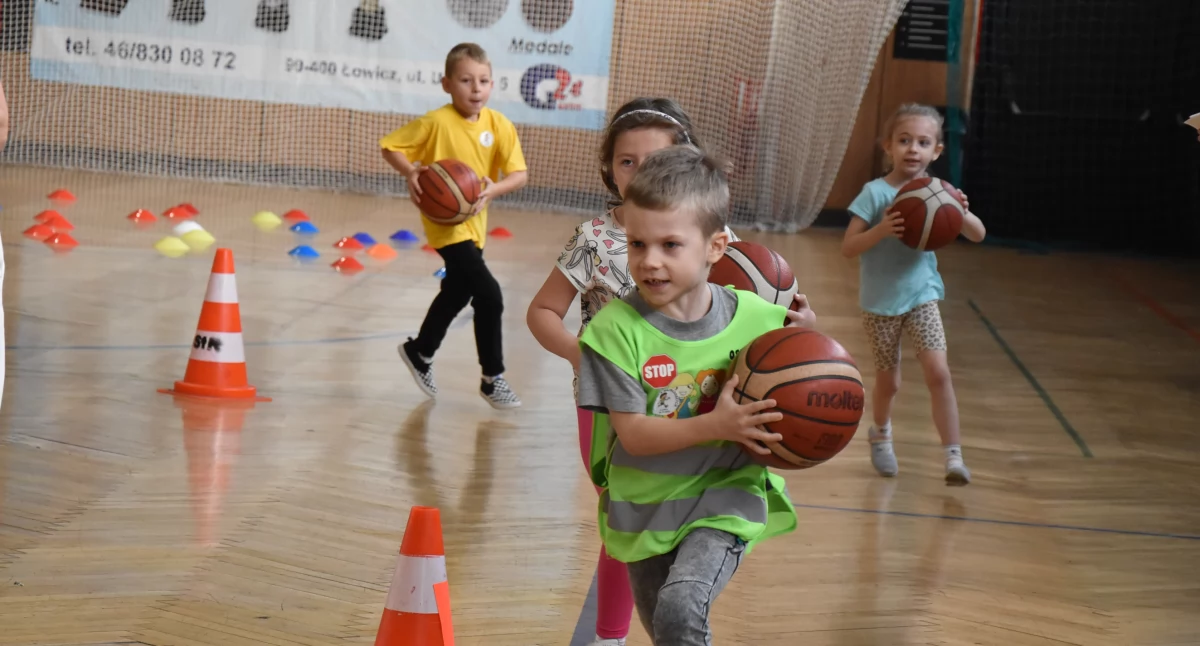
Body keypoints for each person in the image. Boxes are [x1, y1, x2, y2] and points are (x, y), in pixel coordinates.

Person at [526, 98, 814, 646]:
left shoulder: (741, 297)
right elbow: (631, 432)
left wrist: (803, 334)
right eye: (638, 245)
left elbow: (798, 359)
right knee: (665, 619)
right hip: (633, 449)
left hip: (725, 482)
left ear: (714, 247)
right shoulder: (608, 308)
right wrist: (582, 356)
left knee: (682, 607)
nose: (651, 260)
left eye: (670, 246)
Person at [841, 103, 987, 485]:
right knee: (890, 382)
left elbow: (978, 234)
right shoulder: (874, 193)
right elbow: (848, 246)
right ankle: (881, 432)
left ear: (936, 151)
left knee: (939, 373)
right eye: (904, 140)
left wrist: (961, 212)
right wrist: (881, 230)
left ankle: (953, 457)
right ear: (887, 146)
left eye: (923, 142)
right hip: (879, 302)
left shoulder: (941, 193)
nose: (913, 149)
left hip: (922, 295)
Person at [382, 43, 528, 409]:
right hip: (446, 226)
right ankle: (492, 378)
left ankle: (420, 352)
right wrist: (412, 171)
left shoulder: (499, 126)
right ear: (447, 84)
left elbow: (520, 174)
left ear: (492, 84)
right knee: (490, 295)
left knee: (457, 292)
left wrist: (495, 188)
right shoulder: (435, 122)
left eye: (483, 80)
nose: (476, 88)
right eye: (465, 80)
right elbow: (391, 147)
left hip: (475, 226)